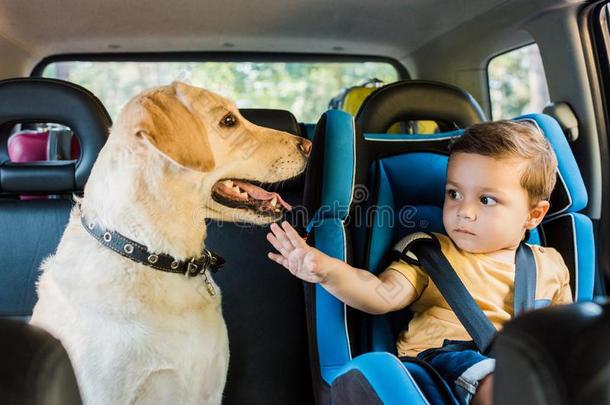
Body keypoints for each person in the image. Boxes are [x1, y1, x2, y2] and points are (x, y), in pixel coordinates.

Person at [266, 120, 572, 405]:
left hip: (520, 369)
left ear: (534, 215)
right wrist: (326, 269)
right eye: (454, 193)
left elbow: (562, 337)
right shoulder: (428, 251)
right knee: (500, 383)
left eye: (486, 200)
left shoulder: (550, 265)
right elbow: (380, 294)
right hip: (441, 367)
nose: (464, 211)